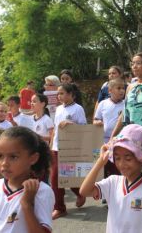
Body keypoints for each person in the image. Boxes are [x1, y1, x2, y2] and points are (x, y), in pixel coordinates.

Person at [80, 124, 142, 233]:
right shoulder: (113, 182)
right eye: (117, 158)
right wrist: (100, 162)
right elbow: (84, 191)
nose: (121, 164)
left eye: (128, 158)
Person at [0, 126, 55, 233]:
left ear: (33, 158)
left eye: (13, 157)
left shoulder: (41, 191)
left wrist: (27, 204)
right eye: (0, 156)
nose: (4, 163)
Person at [50, 83, 87, 220]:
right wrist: (51, 144)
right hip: (56, 147)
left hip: (70, 147)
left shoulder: (78, 109)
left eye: (62, 93)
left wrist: (71, 124)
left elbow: (83, 128)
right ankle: (60, 207)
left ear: (72, 94)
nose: (59, 96)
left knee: (65, 177)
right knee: (56, 178)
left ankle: (78, 194)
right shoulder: (58, 109)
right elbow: (55, 128)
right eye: (58, 93)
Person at [110, 52, 142, 137]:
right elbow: (124, 114)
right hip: (130, 135)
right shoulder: (130, 87)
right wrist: (112, 136)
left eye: (138, 63)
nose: (134, 66)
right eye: (132, 63)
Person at [93, 78, 125, 177]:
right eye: (118, 88)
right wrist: (97, 122)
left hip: (119, 142)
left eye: (123, 88)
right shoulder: (103, 104)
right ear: (110, 90)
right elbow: (95, 120)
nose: (122, 91)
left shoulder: (126, 104)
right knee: (103, 170)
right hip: (103, 143)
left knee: (117, 169)